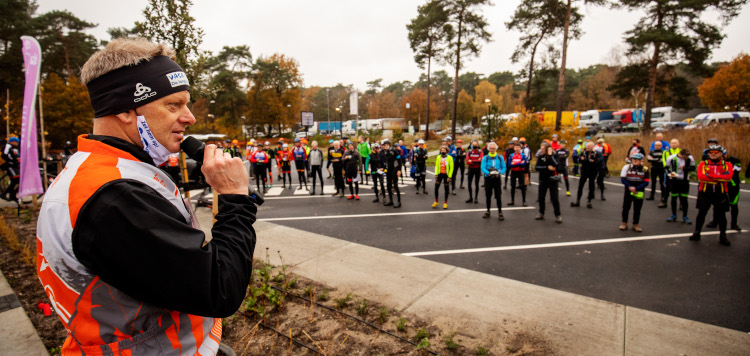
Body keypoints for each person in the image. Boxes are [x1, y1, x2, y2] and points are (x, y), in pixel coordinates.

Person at [36, 38, 257, 355]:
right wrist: (234, 198)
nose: (190, 117)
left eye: (187, 104)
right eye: (174, 105)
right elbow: (220, 289)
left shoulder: (95, 170)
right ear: (126, 111)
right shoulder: (115, 197)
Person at [691, 145, 733, 246]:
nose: (713, 154)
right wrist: (719, 177)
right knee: (701, 213)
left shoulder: (727, 165)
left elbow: (728, 178)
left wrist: (710, 175)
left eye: (715, 152)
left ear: (720, 153)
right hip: (705, 192)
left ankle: (723, 236)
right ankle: (697, 233)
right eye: (710, 152)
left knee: (721, 215)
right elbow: (701, 177)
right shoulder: (703, 164)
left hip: (720, 192)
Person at [620, 153, 650, 232]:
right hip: (628, 190)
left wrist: (636, 188)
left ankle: (635, 224)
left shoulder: (645, 169)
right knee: (626, 207)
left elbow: (646, 182)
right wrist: (629, 186)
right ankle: (624, 223)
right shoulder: (627, 167)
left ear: (641, 161)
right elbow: (623, 179)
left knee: (637, 208)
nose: (635, 161)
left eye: (637, 160)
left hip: (639, 191)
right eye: (633, 160)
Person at [665, 149, 695, 224]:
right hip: (674, 180)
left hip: (684, 180)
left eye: (687, 157)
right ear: (680, 154)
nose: (686, 158)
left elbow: (693, 168)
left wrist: (685, 168)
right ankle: (673, 215)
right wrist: (670, 174)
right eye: (685, 157)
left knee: (684, 199)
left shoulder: (690, 158)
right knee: (674, 198)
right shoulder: (671, 158)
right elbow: (666, 167)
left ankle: (685, 216)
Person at [535, 145, 562, 223]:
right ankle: (541, 213)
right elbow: (537, 167)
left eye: (543, 149)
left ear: (548, 149)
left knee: (554, 198)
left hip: (552, 180)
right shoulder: (541, 156)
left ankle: (558, 215)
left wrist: (550, 156)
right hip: (543, 179)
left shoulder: (554, 156)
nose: (541, 150)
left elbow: (557, 165)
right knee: (541, 197)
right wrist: (547, 167)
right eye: (541, 148)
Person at [571, 142, 602, 209]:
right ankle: (578, 201)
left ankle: (589, 201)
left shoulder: (596, 154)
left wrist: (586, 160)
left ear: (592, 147)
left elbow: (597, 162)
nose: (587, 148)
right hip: (584, 171)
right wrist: (587, 161)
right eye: (587, 146)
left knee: (591, 186)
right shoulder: (584, 153)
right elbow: (579, 161)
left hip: (592, 172)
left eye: (589, 146)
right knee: (580, 186)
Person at [480, 142, 506, 220]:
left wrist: (500, 173)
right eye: (490, 148)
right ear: (488, 149)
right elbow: (482, 167)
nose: (492, 150)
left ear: (496, 149)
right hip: (488, 178)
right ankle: (488, 211)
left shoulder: (500, 157)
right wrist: (489, 173)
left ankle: (500, 212)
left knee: (498, 195)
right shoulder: (485, 157)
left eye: (493, 148)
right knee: (488, 195)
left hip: (497, 178)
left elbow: (504, 167)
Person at [660, 139, 681, 208]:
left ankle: (681, 204)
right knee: (667, 187)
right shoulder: (665, 152)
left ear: (678, 144)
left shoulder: (681, 151)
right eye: (672, 143)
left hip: (679, 172)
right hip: (669, 172)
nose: (673, 144)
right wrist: (667, 169)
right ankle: (664, 201)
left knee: (680, 188)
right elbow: (664, 160)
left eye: (675, 143)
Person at [382, 139, 402, 208]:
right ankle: (391, 200)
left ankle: (399, 202)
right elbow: (386, 162)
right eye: (385, 145)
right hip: (388, 171)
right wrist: (384, 169)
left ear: (389, 145)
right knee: (388, 186)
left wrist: (399, 170)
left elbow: (399, 160)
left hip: (394, 170)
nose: (386, 146)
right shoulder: (385, 152)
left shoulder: (394, 151)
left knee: (395, 186)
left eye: (387, 145)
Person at [1, 137, 20, 201]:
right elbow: (5, 155)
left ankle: (12, 195)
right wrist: (13, 161)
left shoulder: (14, 148)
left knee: (16, 181)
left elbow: (16, 155)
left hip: (14, 165)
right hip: (9, 166)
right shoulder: (8, 146)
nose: (17, 143)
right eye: (16, 142)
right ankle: (6, 194)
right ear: (12, 141)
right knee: (16, 179)